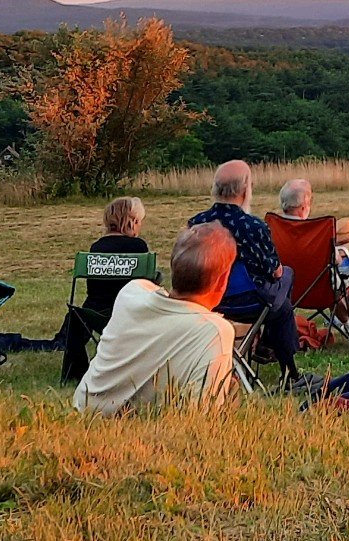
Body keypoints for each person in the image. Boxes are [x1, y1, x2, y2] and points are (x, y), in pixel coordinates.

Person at [72, 223, 239, 414]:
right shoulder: (215, 330)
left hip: (85, 409)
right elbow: (203, 415)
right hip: (137, 430)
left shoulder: (131, 293)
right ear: (223, 278)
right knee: (231, 388)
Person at [188, 160, 302, 388]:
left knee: (281, 306)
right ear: (244, 190)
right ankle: (275, 352)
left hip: (207, 300)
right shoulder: (253, 227)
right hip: (249, 303)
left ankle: (268, 344)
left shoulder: (197, 223)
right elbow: (275, 271)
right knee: (286, 280)